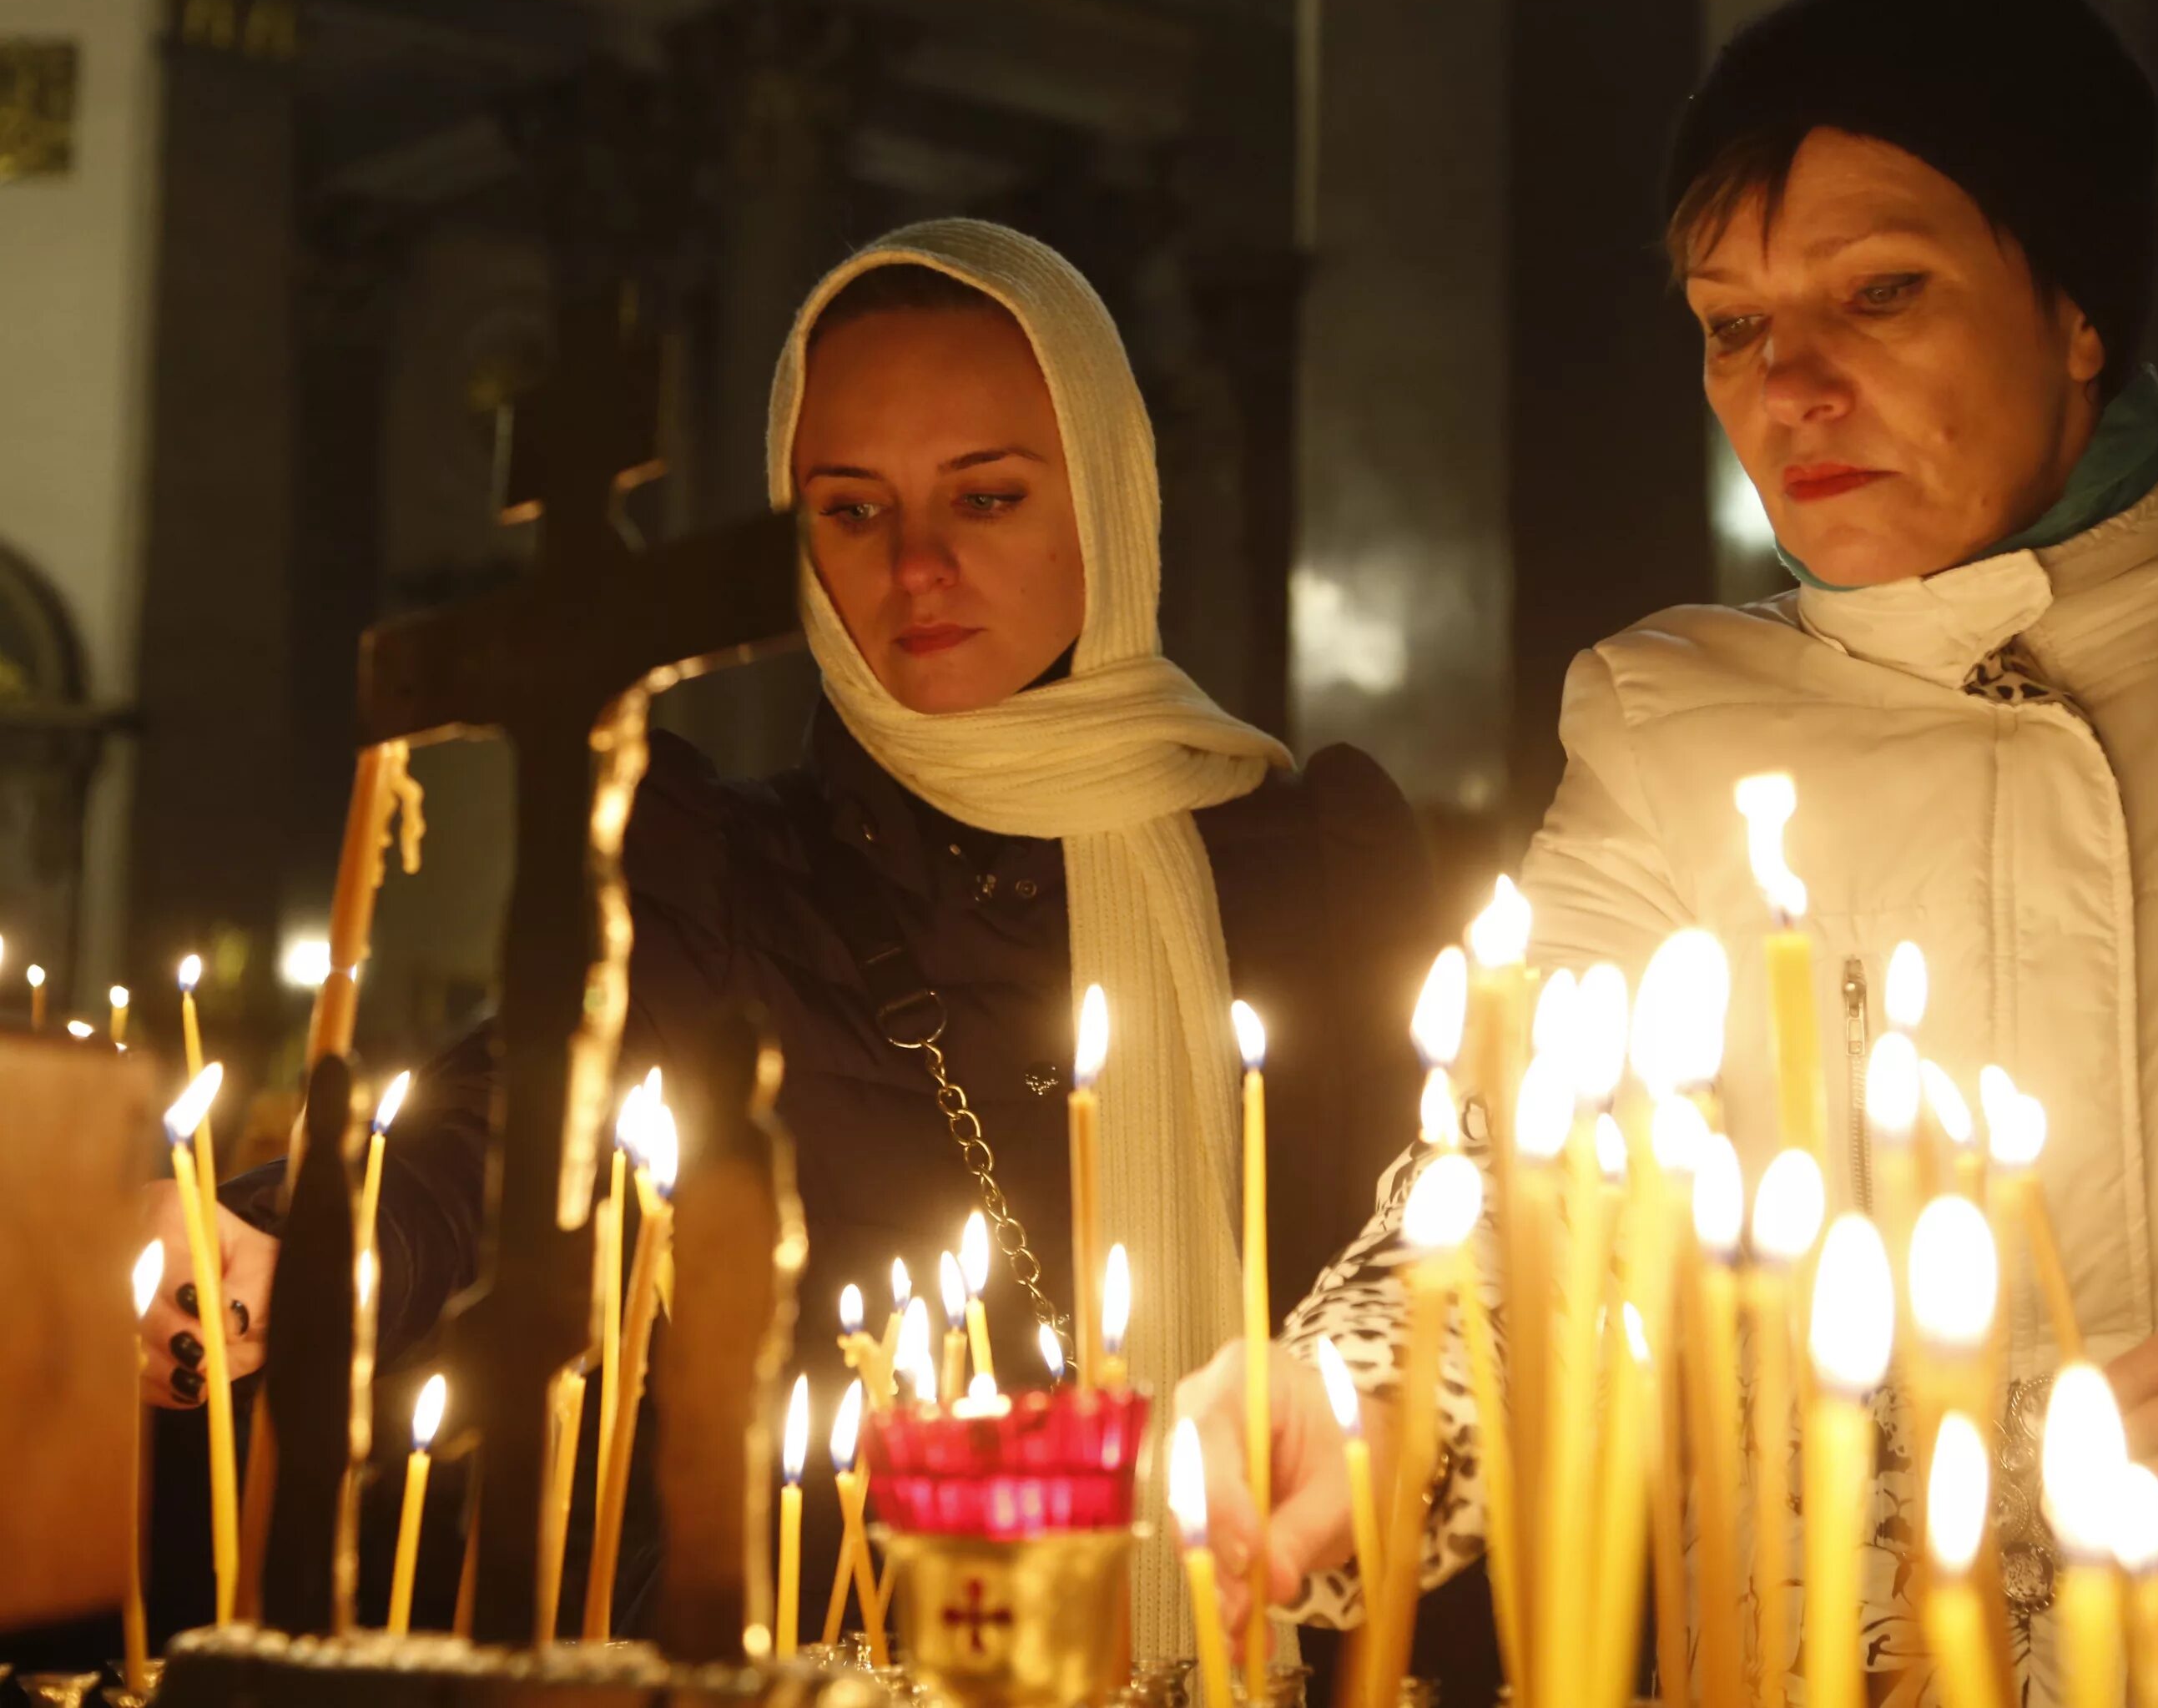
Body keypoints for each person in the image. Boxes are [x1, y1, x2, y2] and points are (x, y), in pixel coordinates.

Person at [1177, 0, 2158, 1694]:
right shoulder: (1669, 734)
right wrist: (1353, 1395)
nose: (1786, 385)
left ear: (2079, 307)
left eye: (1881, 294)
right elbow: (1531, 1205)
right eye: (1733, 322)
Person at [131, 219, 1443, 1665]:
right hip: (839, 1652)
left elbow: (1445, 1267)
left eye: (988, 498)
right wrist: (282, 1226)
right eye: (853, 511)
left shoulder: (1318, 871)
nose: (919, 567)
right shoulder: (732, 876)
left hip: (1295, 1627)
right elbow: (521, 1102)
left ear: (1112, 499)